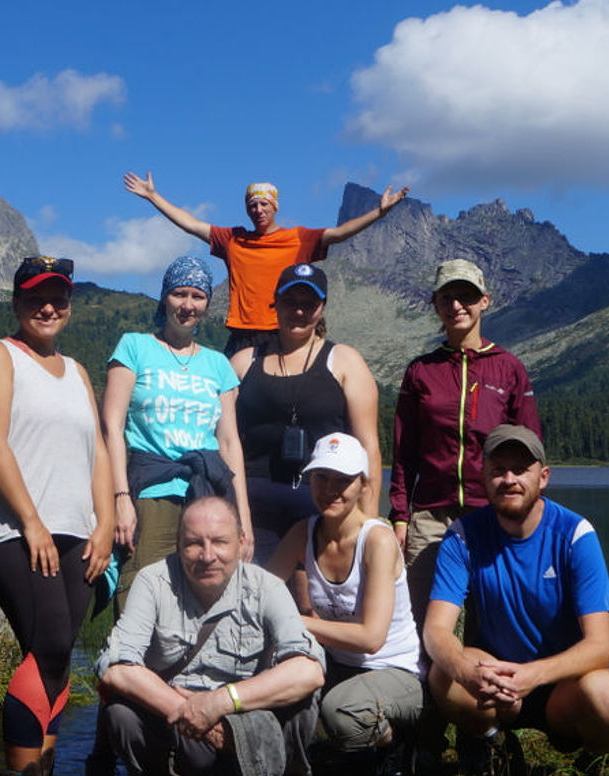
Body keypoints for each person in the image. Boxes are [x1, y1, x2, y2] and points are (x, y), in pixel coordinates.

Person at [0, 255, 115, 776]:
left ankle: (43, 766)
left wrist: (103, 526)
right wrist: (31, 522)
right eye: (35, 297)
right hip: (13, 528)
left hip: (77, 533)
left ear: (70, 307)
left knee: (54, 656)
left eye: (58, 298)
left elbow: (97, 449)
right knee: (51, 644)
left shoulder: (76, 371)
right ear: (16, 303)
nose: (47, 307)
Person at [424, 425, 609, 776]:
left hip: (563, 688)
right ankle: (493, 743)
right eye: (498, 470)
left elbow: (600, 647)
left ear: (544, 477)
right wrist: (466, 672)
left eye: (520, 469)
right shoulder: (463, 537)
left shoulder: (575, 534)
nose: (509, 479)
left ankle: (594, 759)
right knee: (442, 674)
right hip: (497, 685)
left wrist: (532, 675)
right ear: (483, 476)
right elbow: (436, 631)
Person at [96, 496, 325, 776]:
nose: (207, 556)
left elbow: (309, 671)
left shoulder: (267, 587)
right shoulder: (152, 582)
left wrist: (220, 702)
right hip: (175, 720)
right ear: (178, 544)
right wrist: (190, 711)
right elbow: (116, 669)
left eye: (219, 542)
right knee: (121, 714)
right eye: (194, 543)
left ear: (241, 543)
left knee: (303, 699)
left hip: (246, 715)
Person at [390, 258, 542, 627]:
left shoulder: (509, 368)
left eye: (467, 296)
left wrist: (531, 511)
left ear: (485, 301)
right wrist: (399, 515)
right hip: (430, 516)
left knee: (492, 619)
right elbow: (404, 452)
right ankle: (425, 685)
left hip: (491, 512)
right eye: (447, 298)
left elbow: (531, 448)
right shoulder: (420, 371)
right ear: (435, 305)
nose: (457, 305)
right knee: (421, 619)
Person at [104, 255, 253, 612]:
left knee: (208, 604)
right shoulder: (134, 347)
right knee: (141, 599)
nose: (187, 305)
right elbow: (111, 425)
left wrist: (243, 521)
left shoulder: (218, 364)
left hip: (209, 498)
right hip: (151, 493)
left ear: (207, 303)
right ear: (164, 298)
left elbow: (230, 443)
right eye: (179, 294)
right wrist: (120, 497)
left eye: (197, 296)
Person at [268, 433, 422, 775]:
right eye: (321, 478)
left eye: (344, 480)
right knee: (274, 685)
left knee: (340, 713)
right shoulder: (303, 532)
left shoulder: (377, 540)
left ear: (363, 484)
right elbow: (261, 592)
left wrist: (296, 623)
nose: (330, 489)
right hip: (339, 666)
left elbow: (371, 639)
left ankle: (395, 743)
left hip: (394, 670)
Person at [124, 172, 408, 355]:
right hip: (242, 335)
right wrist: (153, 197)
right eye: (252, 205)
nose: (257, 210)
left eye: (264, 204)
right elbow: (192, 225)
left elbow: (339, 234)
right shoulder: (232, 239)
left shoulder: (298, 238)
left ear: (275, 207)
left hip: (282, 333)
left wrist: (378, 213)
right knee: (232, 405)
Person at [231, 263, 381, 562]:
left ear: (322, 307)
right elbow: (223, 439)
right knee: (251, 601)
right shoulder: (244, 362)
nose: (298, 312)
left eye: (309, 304)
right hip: (252, 514)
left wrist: (368, 525)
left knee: (310, 606)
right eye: (290, 302)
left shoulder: (345, 362)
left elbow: (369, 448)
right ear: (276, 302)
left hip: (324, 510)